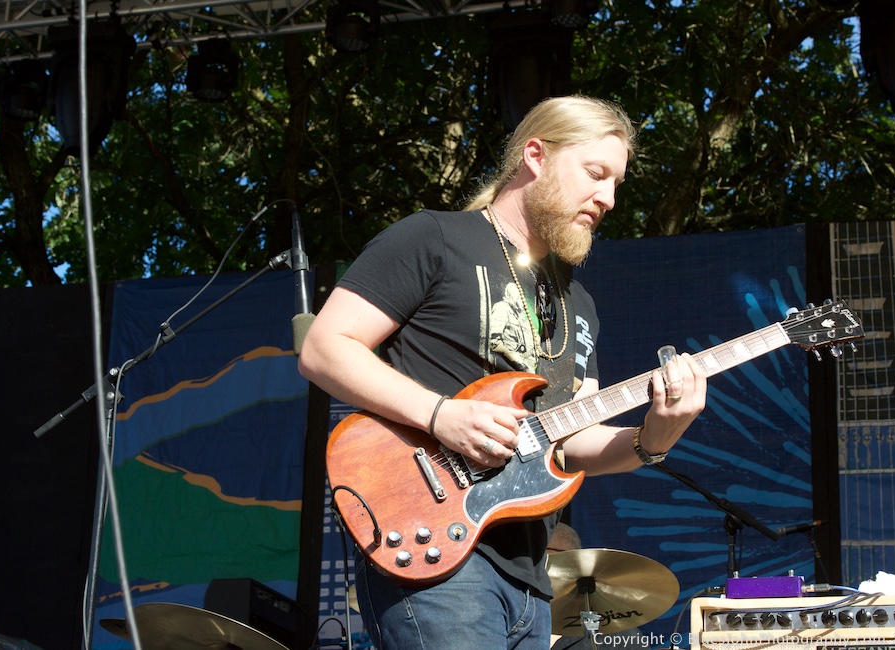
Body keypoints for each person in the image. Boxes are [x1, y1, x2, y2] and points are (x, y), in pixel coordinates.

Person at [298, 94, 706, 650]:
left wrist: (658, 434)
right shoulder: (434, 238)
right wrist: (440, 415)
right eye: (596, 174)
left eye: (617, 184)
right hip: (438, 555)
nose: (608, 198)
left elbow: (573, 437)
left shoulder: (578, 303)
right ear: (535, 154)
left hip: (532, 581)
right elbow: (324, 347)